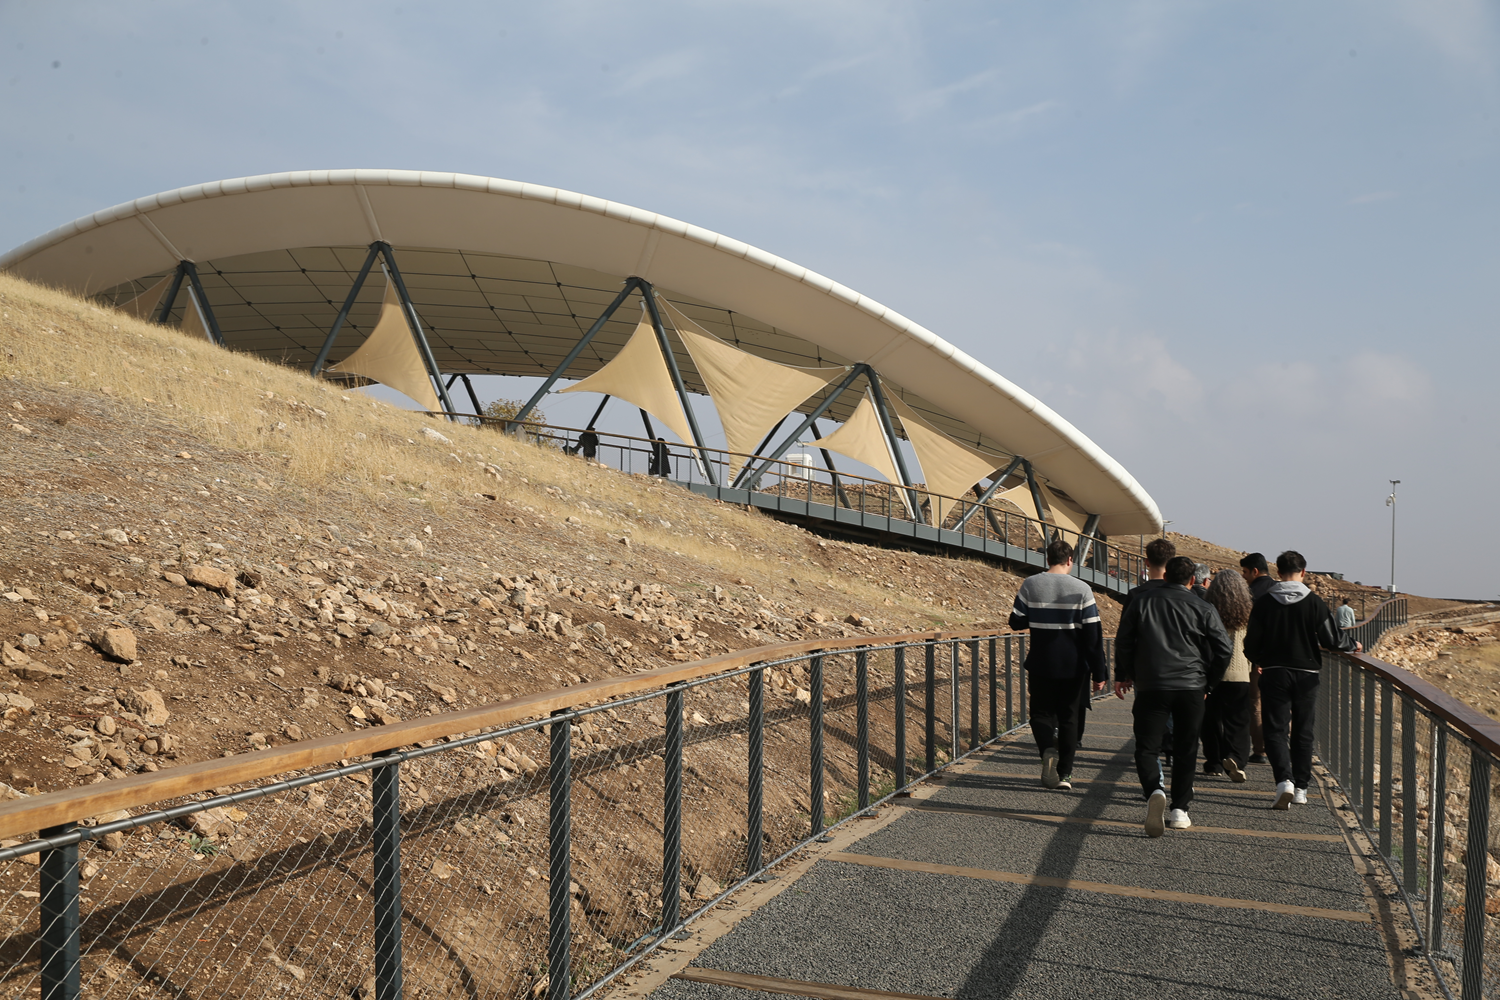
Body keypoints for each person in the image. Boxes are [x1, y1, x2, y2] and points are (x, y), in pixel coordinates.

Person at [1115, 556, 1233, 836]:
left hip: (1152, 685)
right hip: (1191, 686)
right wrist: (1209, 683)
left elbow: (1124, 640)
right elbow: (1224, 649)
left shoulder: (1141, 602)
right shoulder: (1203, 606)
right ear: (1192, 580)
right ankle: (1180, 810)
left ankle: (1155, 789)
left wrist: (1125, 673)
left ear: (1165, 575)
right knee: (1187, 748)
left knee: (1146, 746)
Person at [1245, 550, 1361, 810]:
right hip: (1307, 673)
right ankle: (1301, 787)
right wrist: (1353, 644)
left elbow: (1250, 643)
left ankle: (1283, 780)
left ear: (1278, 573)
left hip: (1275, 672)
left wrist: (1260, 659)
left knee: (1275, 729)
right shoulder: (1315, 603)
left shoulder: (1264, 602)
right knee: (1303, 730)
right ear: (1304, 572)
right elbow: (1331, 639)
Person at [1008, 538, 1107, 792]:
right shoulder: (1082, 588)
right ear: (1070, 560)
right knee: (1069, 718)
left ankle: (1047, 750)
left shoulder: (1031, 584)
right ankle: (1064, 774)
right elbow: (1093, 634)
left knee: (1040, 713)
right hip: (1074, 665)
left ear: (1047, 558)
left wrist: (1040, 614)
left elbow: (1016, 621)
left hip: (1041, 662)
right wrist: (1100, 671)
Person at [1200, 570, 1255, 782]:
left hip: (1212, 674)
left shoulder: (1208, 610)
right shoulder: (1248, 612)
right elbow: (1251, 644)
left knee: (1211, 721)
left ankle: (1213, 762)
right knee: (1238, 721)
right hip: (1240, 673)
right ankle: (1236, 759)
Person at [1126, 538, 1177, 763]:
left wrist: (1123, 672)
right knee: (1174, 714)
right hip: (1177, 668)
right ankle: (1172, 749)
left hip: (1144, 666)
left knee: (1148, 715)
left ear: (1147, 562)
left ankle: (1152, 759)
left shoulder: (1136, 595)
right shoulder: (1182, 595)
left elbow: (1126, 637)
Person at [1239, 552, 1276, 764]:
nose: (1243, 576)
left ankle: (1260, 750)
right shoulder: (1279, 590)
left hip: (1256, 659)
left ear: (1254, 571)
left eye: (1245, 572)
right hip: (1281, 658)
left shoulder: (1248, 593)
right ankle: (1280, 741)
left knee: (1255, 702)